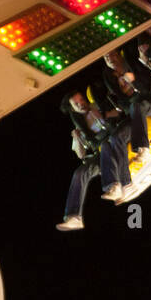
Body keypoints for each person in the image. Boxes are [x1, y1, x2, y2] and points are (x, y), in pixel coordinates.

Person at [57, 96, 101, 231]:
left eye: (81, 99)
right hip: (100, 154)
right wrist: (77, 137)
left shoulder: (96, 107)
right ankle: (74, 216)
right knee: (80, 172)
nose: (81, 103)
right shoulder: (78, 126)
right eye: (77, 104)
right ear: (73, 109)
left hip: (112, 141)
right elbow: (81, 154)